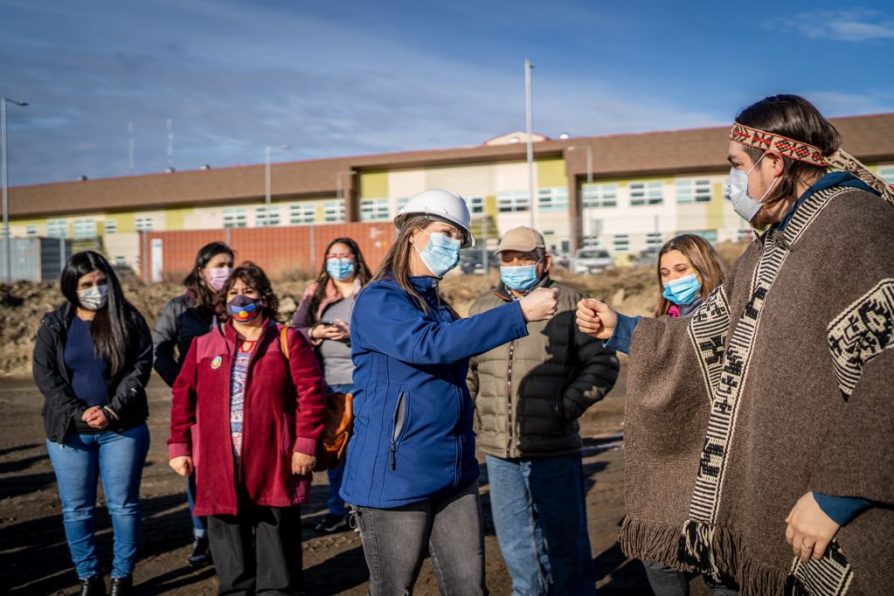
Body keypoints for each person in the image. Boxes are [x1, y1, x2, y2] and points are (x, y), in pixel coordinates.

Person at [576, 95, 894, 594]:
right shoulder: (770, 246)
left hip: (838, 510)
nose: (733, 182)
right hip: (791, 498)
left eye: (736, 165)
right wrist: (621, 329)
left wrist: (839, 494)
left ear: (775, 161)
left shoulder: (858, 227)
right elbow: (707, 331)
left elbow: (889, 368)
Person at [339, 189, 560, 595]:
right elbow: (428, 345)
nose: (454, 245)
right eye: (446, 232)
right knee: (394, 590)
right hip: (395, 475)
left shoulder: (434, 302)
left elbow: (452, 346)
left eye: (460, 238)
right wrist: (518, 313)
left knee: (468, 588)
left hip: (453, 470)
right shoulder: (380, 298)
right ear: (412, 233)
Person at [467, 226, 619, 595]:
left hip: (553, 446)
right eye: (508, 259)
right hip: (499, 452)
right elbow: (471, 371)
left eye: (524, 258)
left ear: (544, 261)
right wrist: (478, 417)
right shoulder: (482, 308)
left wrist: (563, 407)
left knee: (566, 543)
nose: (515, 265)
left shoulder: (571, 303)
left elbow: (602, 366)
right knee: (517, 545)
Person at [168, 261, 327, 595]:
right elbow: (183, 398)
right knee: (228, 539)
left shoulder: (287, 340)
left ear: (264, 298)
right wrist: (179, 447)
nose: (241, 299)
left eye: (249, 292)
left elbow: (311, 396)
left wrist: (305, 444)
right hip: (219, 461)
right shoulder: (204, 345)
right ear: (224, 301)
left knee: (276, 537)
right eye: (234, 293)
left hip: (275, 458)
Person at [33, 250, 153, 596]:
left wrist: (113, 409)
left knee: (124, 505)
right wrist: (77, 411)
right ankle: (89, 577)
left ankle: (122, 577)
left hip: (122, 429)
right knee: (76, 509)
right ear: (71, 286)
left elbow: (140, 366)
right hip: (69, 433)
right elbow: (46, 375)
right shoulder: (54, 323)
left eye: (101, 281)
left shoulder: (128, 318)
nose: (95, 289)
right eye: (86, 284)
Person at [640, 234, 728, 596]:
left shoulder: (729, 315)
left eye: (682, 269)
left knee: (718, 561)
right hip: (671, 457)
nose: (673, 279)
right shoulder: (661, 324)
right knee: (658, 554)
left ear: (703, 269)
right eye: (665, 272)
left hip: (717, 458)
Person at [152, 240, 234, 567]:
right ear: (201, 270)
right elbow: (159, 350)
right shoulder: (178, 307)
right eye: (218, 265)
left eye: (229, 264)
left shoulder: (238, 303)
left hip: (235, 401)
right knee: (197, 469)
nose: (224, 271)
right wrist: (182, 385)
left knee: (235, 464)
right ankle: (201, 534)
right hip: (198, 404)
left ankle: (232, 535)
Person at [291, 236, 371, 534]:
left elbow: (385, 329)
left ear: (356, 258)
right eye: (333, 256)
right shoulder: (316, 294)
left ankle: (365, 508)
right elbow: (294, 332)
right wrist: (317, 331)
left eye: (345, 255)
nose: (339, 261)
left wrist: (355, 333)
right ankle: (339, 509)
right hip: (330, 384)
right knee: (336, 450)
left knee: (365, 449)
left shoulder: (372, 291)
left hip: (365, 382)